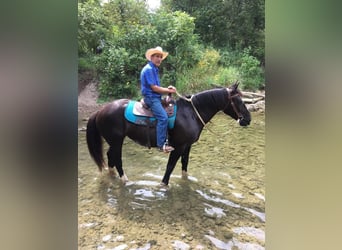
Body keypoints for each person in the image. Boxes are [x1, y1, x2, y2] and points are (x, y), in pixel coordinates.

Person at [140, 46, 177, 153]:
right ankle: (161, 145)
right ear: (151, 57)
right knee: (163, 118)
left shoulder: (154, 69)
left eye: (161, 57)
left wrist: (167, 90)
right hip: (151, 98)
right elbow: (154, 88)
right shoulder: (149, 69)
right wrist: (168, 90)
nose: (159, 59)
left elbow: (156, 88)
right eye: (157, 56)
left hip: (155, 97)